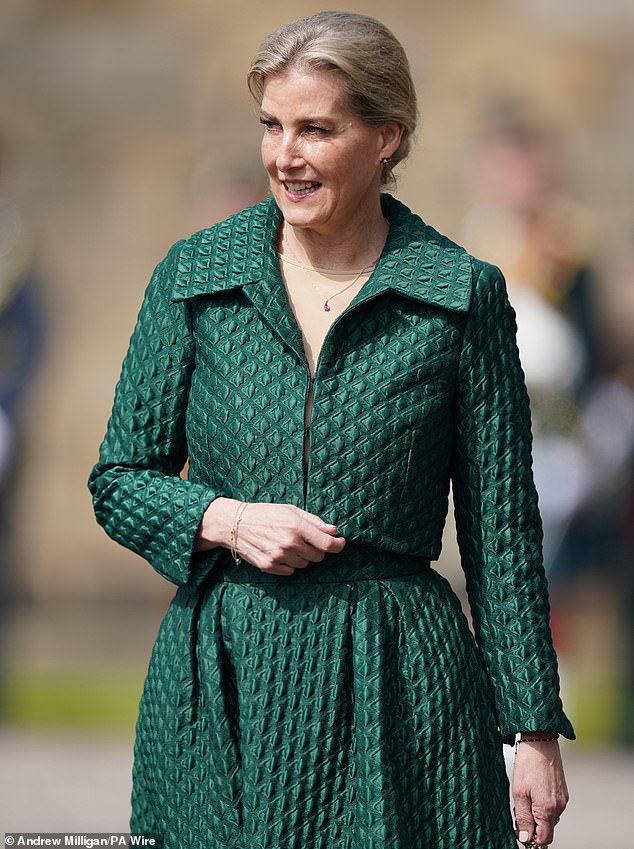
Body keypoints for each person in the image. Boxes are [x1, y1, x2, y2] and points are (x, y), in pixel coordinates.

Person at [88, 11, 574, 849]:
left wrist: (531, 729)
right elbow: (120, 478)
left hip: (400, 683)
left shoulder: (459, 296)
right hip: (224, 677)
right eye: (273, 126)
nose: (285, 155)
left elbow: (502, 533)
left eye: (317, 128)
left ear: (386, 137)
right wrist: (228, 519)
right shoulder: (197, 277)